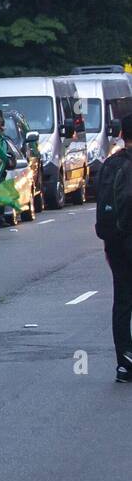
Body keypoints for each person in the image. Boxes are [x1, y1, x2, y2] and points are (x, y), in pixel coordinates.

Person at [98, 112, 132, 382]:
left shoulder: (110, 164)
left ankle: (124, 363)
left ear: (122, 134)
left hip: (116, 243)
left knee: (122, 300)